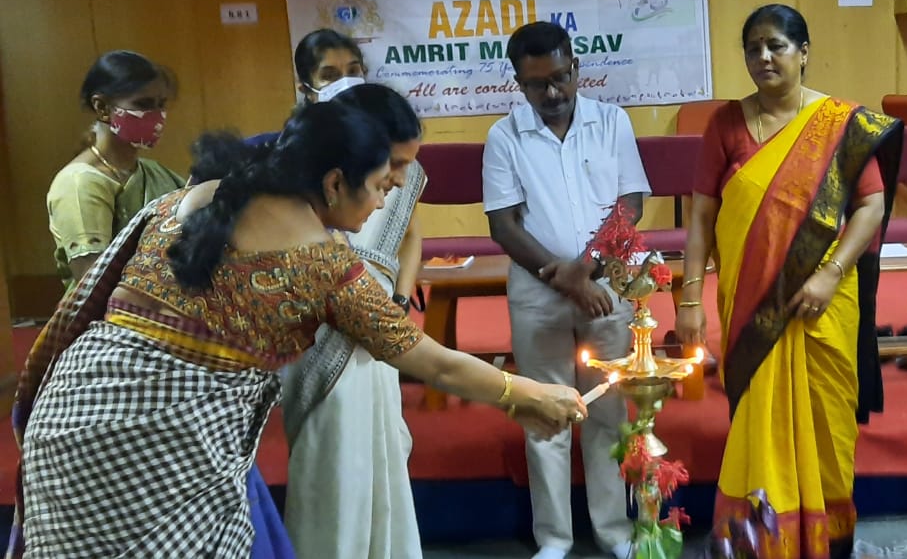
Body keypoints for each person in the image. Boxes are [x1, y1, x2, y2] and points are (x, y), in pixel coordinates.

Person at [10, 102, 586, 558]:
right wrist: (524, 393)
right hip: (164, 455)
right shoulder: (322, 263)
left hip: (67, 418)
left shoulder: (177, 201)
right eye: (381, 185)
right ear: (335, 182)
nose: (385, 200)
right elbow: (427, 359)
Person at [674, 4, 903, 559]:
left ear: (803, 51)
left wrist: (829, 274)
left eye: (775, 45)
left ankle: (823, 537)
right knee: (759, 417)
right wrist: (688, 299)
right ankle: (762, 540)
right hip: (754, 304)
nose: (763, 57)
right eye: (752, 48)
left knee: (824, 417)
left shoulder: (841, 124)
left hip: (822, 303)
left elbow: (870, 205)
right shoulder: (726, 123)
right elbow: (702, 216)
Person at [482, 21, 650, 559]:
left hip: (606, 290)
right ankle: (553, 540)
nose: (552, 94)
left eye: (560, 78)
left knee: (607, 415)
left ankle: (613, 532)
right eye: (537, 85)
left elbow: (630, 207)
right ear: (518, 83)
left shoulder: (612, 123)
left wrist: (588, 270)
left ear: (576, 69)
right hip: (539, 298)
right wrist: (570, 279)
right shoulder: (504, 136)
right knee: (545, 416)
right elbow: (504, 226)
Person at [280, 83, 427, 559]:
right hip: (327, 348)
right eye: (396, 166)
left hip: (378, 332)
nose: (401, 182)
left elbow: (409, 240)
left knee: (383, 462)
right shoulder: (300, 219)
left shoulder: (379, 193)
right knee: (338, 468)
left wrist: (398, 301)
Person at [47, 50, 185, 289]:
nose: (156, 116)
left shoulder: (155, 172)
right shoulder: (78, 183)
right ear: (102, 107)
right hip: (113, 319)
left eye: (160, 105)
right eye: (142, 104)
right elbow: (92, 284)